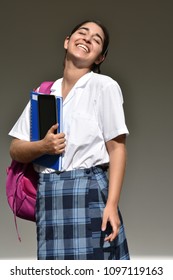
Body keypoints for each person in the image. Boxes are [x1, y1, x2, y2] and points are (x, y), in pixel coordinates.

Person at [9, 20, 130, 260]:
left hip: (89, 190)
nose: (87, 39)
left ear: (100, 58)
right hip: (49, 195)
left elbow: (117, 149)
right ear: (67, 41)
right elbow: (15, 149)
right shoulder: (44, 93)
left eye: (96, 40)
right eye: (82, 33)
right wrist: (42, 147)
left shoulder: (103, 86)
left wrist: (111, 205)